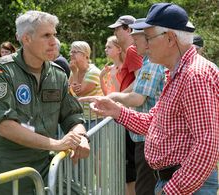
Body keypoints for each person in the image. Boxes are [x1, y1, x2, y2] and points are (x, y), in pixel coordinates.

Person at [79, 3, 219, 195]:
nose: (143, 44)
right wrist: (117, 111)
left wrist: (171, 190)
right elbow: (155, 122)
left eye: (149, 37)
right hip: (178, 182)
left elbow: (207, 144)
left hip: (186, 186)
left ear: (170, 38)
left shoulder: (194, 75)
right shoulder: (177, 73)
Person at [0, 10, 90, 195]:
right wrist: (56, 144)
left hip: (45, 169)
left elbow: (73, 116)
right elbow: (6, 126)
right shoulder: (1, 71)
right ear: (26, 39)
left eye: (54, 34)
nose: (54, 41)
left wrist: (81, 137)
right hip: (9, 172)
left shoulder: (57, 74)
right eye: (46, 35)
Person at [108, 18, 165, 195]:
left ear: (148, 40)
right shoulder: (148, 62)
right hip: (146, 134)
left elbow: (138, 98)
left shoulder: (151, 63)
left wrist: (111, 98)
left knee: (145, 188)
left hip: (147, 136)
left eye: (137, 37)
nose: (133, 41)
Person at [108, 15, 143, 195]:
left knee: (132, 171)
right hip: (131, 113)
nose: (115, 33)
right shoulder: (131, 49)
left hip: (132, 113)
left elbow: (139, 83)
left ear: (129, 30)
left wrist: (117, 97)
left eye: (117, 29)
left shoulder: (132, 49)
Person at [68, 41, 103, 130]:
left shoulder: (93, 72)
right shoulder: (74, 71)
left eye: (75, 52)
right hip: (81, 117)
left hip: (95, 118)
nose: (71, 54)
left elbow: (78, 93)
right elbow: (69, 92)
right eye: (71, 51)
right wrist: (74, 73)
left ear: (86, 55)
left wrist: (75, 73)